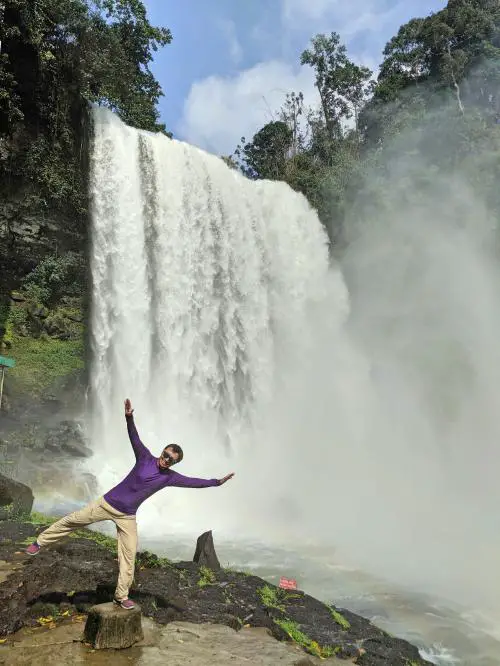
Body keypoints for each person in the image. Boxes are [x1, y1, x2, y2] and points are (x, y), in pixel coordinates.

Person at [25, 398, 235, 609]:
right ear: (162, 451)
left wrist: (216, 482)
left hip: (127, 516)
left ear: (175, 463)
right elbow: (134, 436)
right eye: (166, 454)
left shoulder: (170, 477)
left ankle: (121, 596)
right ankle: (40, 542)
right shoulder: (144, 457)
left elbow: (193, 482)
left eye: (171, 459)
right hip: (106, 504)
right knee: (72, 520)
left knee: (129, 554)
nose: (166, 460)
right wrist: (129, 416)